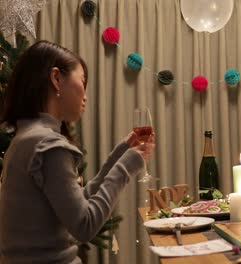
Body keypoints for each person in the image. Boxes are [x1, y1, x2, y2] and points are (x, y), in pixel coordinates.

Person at [0, 40, 154, 263]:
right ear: (56, 79)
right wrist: (126, 167)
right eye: (82, 81)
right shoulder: (47, 144)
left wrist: (119, 156)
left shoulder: (27, 137)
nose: (86, 96)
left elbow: (76, 204)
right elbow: (84, 225)